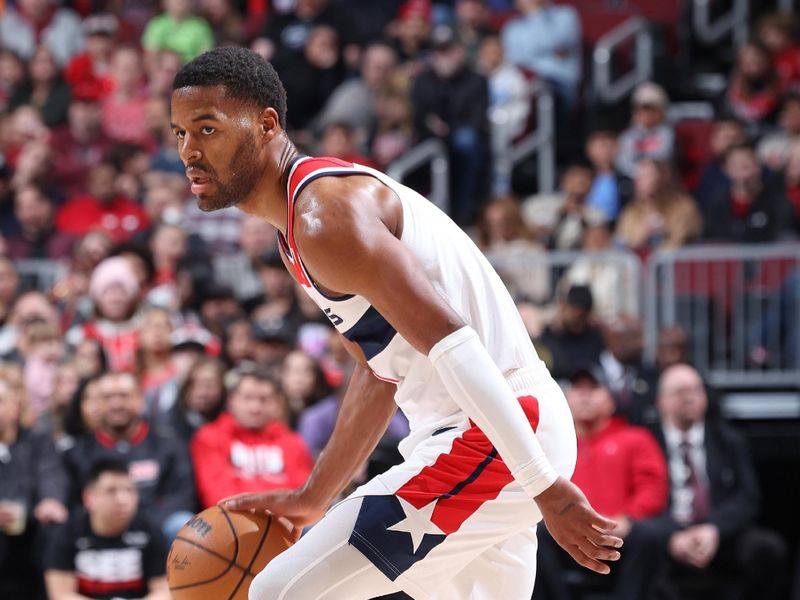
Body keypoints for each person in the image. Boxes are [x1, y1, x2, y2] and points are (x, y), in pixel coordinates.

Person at [170, 46, 622, 599]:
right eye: (179, 134)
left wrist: (544, 486)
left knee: (278, 594)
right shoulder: (296, 230)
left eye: (207, 129)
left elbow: (454, 344)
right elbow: (379, 371)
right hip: (486, 435)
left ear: (267, 125)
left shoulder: (323, 214)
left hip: (493, 434)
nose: (189, 151)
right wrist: (317, 495)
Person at [648, 364, 789, 599]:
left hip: (719, 533)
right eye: (679, 391)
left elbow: (748, 498)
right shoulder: (646, 441)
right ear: (660, 401)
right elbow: (639, 497)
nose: (689, 397)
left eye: (695, 390)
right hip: (666, 535)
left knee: (766, 548)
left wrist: (714, 529)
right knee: (640, 547)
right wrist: (671, 535)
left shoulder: (729, 440)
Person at [535, 366, 668, 600]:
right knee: (535, 533)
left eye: (594, 388)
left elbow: (653, 489)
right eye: (578, 388)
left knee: (649, 535)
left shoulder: (635, 438)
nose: (585, 395)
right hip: (564, 536)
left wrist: (627, 519)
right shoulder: (550, 444)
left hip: (620, 537)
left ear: (611, 401)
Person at [62, 372, 196, 540]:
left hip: (157, 531)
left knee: (182, 522)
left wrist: (140, 525)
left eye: (124, 396)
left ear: (140, 401)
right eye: (107, 397)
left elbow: (181, 497)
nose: (116, 404)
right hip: (97, 532)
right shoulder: (77, 453)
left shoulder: (170, 445)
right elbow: (73, 505)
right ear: (96, 404)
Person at [44, 458, 170, 600]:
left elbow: (164, 592)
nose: (122, 499)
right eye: (111, 491)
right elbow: (61, 595)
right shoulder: (67, 532)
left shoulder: (150, 531)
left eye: (129, 490)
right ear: (89, 497)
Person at [190, 368, 313, 508]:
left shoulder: (293, 442)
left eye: (264, 400)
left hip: (286, 522)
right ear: (232, 401)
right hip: (231, 521)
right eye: (247, 398)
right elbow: (217, 496)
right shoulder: (210, 437)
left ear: (277, 404)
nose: (255, 408)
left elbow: (302, 496)